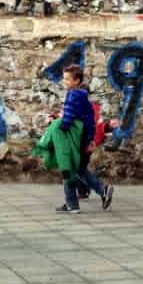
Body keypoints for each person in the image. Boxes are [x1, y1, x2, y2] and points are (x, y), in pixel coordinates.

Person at [53, 64, 114, 214]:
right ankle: (95, 193)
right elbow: (88, 120)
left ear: (77, 80)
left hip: (75, 140)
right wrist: (91, 139)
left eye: (67, 79)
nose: (64, 82)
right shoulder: (82, 96)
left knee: (68, 168)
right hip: (84, 138)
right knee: (78, 170)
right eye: (64, 78)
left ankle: (74, 203)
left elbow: (68, 118)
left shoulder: (74, 95)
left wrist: (57, 128)